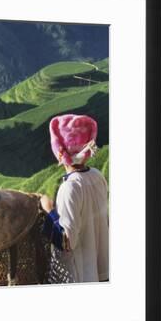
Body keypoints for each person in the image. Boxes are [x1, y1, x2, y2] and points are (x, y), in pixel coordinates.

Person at [40, 114, 109, 283]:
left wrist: (49, 211)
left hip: (82, 275)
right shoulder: (97, 176)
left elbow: (66, 242)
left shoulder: (69, 188)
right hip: (103, 269)